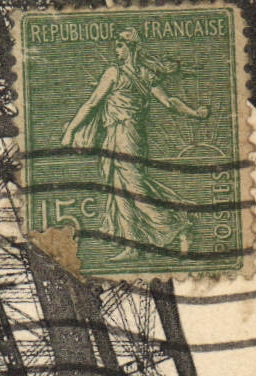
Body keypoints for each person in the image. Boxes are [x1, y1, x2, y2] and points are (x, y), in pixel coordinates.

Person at [60, 27, 211, 262]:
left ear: (131, 48)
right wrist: (195, 113)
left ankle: (179, 225)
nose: (116, 49)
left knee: (134, 188)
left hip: (126, 134)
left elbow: (91, 104)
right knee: (119, 188)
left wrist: (70, 130)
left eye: (120, 45)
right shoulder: (144, 75)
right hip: (120, 134)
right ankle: (132, 245)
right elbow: (169, 102)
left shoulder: (115, 73)